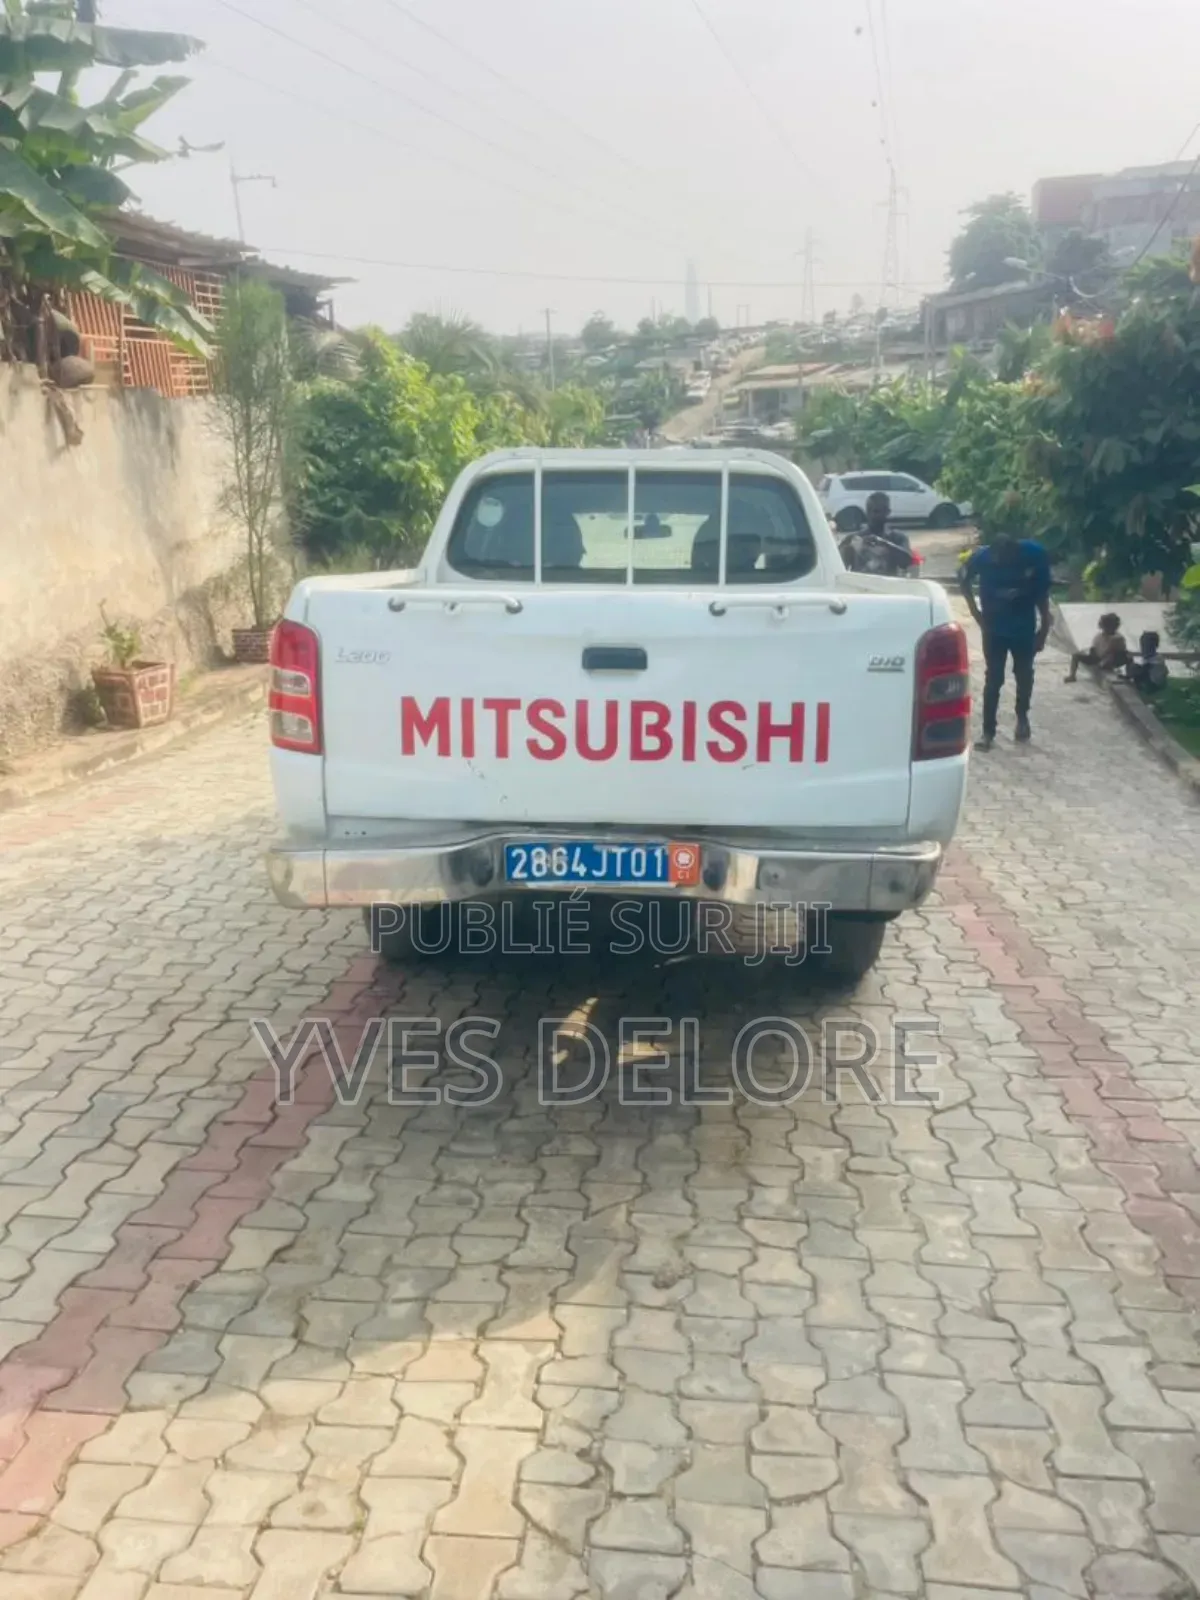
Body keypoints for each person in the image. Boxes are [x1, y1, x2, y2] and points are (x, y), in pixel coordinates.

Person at [960, 530, 1052, 749]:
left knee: (1024, 674)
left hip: (1023, 627)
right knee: (993, 679)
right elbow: (964, 581)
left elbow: (1042, 595)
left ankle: (1022, 717)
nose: (999, 564)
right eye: (996, 561)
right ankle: (988, 732)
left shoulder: (1034, 556)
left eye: (1004, 561)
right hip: (993, 628)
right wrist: (976, 614)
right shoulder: (982, 557)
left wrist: (1044, 630)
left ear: (1014, 555)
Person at [839, 491, 913, 577]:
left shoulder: (897, 538)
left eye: (877, 511)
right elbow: (839, 568)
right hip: (860, 587)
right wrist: (846, 547)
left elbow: (906, 562)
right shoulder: (853, 539)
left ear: (887, 512)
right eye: (869, 510)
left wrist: (884, 544)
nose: (872, 515)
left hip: (887, 587)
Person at [1065, 613, 1129, 683]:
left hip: (1111, 659)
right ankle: (1072, 675)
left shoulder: (1118, 638)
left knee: (1112, 656)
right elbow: (1094, 649)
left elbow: (1120, 653)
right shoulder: (1099, 636)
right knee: (1076, 656)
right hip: (1098, 658)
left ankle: (1106, 666)